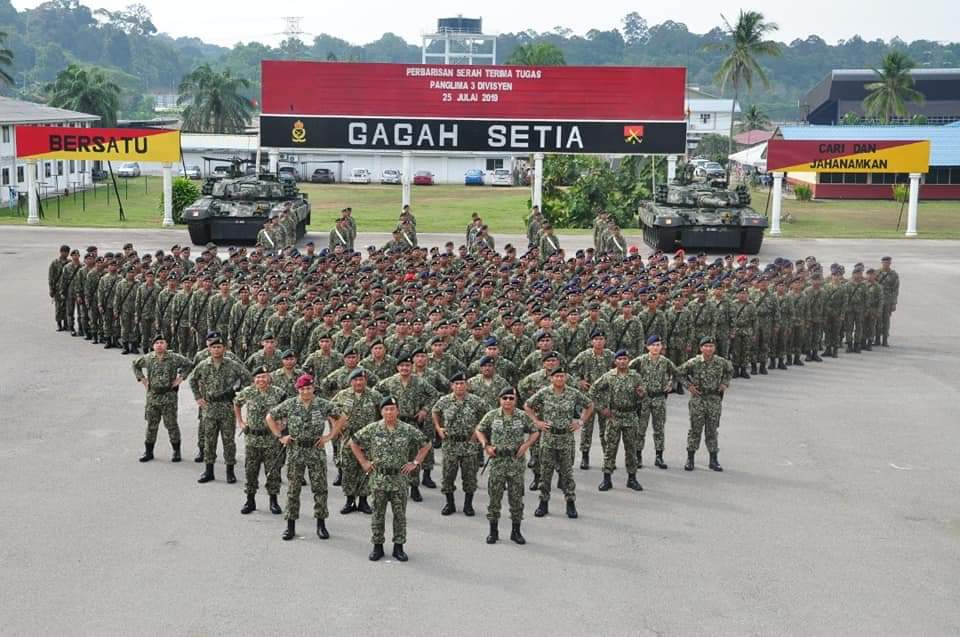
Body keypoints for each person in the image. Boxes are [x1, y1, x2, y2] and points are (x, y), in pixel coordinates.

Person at [350, 396, 433, 562]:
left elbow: (426, 443)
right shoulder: (373, 428)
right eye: (386, 409)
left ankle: (399, 547)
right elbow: (353, 442)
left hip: (399, 479)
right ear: (381, 412)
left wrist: (415, 462)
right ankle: (377, 546)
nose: (389, 412)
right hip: (379, 479)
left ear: (398, 411)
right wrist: (364, 462)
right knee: (378, 515)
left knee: (399, 515)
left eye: (392, 409)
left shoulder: (407, 429)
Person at [267, 373, 345, 541]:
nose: (306, 392)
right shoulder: (290, 404)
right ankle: (290, 526)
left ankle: (321, 524)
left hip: (316, 451)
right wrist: (280, 436)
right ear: (298, 390)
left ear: (313, 388)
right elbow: (270, 417)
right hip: (296, 450)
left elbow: (342, 417)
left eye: (309, 388)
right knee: (293, 490)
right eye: (302, 389)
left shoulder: (323, 404)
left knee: (320, 489)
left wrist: (329, 436)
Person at [524, 368, 593, 519]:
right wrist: (537, 421)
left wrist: (580, 422)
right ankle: (543, 503)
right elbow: (527, 405)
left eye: (562, 376)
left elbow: (589, 405)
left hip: (566, 439)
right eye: (557, 376)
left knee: (567, 474)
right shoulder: (544, 393)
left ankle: (570, 503)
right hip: (548, 438)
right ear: (551, 378)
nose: (560, 379)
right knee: (545, 474)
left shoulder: (573, 393)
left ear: (566, 378)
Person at [475, 388, 540, 545]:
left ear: (515, 400)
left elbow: (535, 431)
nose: (508, 401)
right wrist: (486, 446)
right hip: (498, 462)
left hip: (515, 463)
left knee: (516, 499)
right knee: (494, 499)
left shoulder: (521, 416)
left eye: (511, 398)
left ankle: (516, 531)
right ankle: (493, 531)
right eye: (505, 398)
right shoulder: (492, 415)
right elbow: (479, 430)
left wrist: (526, 445)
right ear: (500, 399)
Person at [375, 355, 440, 501]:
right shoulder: (390, 381)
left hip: (412, 422)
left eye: (408, 365)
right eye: (402, 365)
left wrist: (425, 409)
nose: (405, 368)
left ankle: (415, 486)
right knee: (393, 453)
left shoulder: (419, 381)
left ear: (412, 367)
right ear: (397, 367)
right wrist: (384, 408)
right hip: (394, 422)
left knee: (413, 455)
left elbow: (434, 394)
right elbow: (375, 391)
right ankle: (394, 486)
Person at [189, 337, 253, 484]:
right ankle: (208, 471)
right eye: (214, 347)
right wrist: (198, 397)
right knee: (209, 440)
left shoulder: (232, 365)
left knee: (228, 441)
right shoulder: (204, 365)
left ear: (224, 349)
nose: (216, 350)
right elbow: (192, 379)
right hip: (210, 408)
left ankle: (230, 471)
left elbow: (248, 379)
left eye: (219, 347)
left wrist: (238, 396)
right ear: (209, 349)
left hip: (227, 408)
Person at [432, 371, 488, 516]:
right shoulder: (444, 401)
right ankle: (449, 504)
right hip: (450, 444)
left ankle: (468, 505)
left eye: (462, 383)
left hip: (469, 444)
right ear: (452, 386)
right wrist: (438, 428)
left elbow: (487, 416)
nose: (459, 386)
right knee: (448, 476)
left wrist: (478, 431)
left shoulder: (476, 401)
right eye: (456, 384)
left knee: (469, 477)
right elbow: (435, 411)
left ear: (467, 385)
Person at [234, 366, 288, 515]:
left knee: (273, 472)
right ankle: (250, 500)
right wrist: (240, 422)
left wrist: (283, 424)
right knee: (251, 471)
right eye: (258, 377)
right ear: (254, 379)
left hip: (271, 439)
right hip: (252, 439)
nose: (261, 380)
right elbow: (236, 403)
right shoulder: (248, 392)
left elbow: (287, 408)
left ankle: (273, 501)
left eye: (264, 377)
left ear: (269, 378)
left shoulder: (278, 393)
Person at [131, 336, 193, 462]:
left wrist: (180, 379)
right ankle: (148, 451)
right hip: (153, 396)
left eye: (162, 342)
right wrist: (142, 379)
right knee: (151, 425)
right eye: (157, 343)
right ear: (153, 346)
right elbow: (135, 364)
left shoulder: (174, 358)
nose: (159, 345)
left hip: (168, 396)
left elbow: (189, 364)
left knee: (171, 425)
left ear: (166, 344)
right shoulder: (149, 358)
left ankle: (176, 451)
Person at [590, 349, 645, 490]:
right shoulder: (609, 376)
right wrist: (602, 408)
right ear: (615, 361)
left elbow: (642, 394)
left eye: (625, 359)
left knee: (631, 448)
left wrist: (641, 394)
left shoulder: (635, 376)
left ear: (628, 360)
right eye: (619, 359)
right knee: (610, 448)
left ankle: (632, 478)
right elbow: (593, 390)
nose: (622, 361)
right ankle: (607, 478)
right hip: (614, 416)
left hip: (631, 416)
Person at [331, 368, 383, 515]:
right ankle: (349, 501)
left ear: (365, 381)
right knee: (348, 469)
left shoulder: (375, 395)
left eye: (361, 380)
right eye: (355, 380)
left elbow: (384, 413)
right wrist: (337, 426)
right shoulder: (342, 395)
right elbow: (331, 410)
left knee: (366, 469)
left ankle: (364, 501)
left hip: (368, 439)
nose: (359, 382)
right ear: (351, 381)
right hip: (348, 438)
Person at [677, 336, 734, 472]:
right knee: (695, 429)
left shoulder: (721, 362)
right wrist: (688, 385)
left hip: (714, 398)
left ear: (714, 348)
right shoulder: (694, 362)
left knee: (712, 430)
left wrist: (725, 383)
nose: (708, 349)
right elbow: (679, 372)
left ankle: (713, 459)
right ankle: (690, 458)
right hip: (698, 399)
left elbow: (730, 370)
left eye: (711, 346)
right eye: (706, 346)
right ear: (701, 348)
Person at [630, 335, 680, 470]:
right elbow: (626, 370)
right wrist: (635, 386)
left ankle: (659, 456)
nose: (656, 347)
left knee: (659, 429)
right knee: (641, 428)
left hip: (659, 398)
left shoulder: (665, 361)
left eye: (658, 345)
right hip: (644, 399)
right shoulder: (640, 360)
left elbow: (677, 373)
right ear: (648, 347)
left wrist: (671, 384)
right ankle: (638, 455)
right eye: (653, 345)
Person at [877, 256, 899, 346]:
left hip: (888, 301)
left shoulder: (894, 274)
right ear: (882, 263)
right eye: (884, 262)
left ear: (890, 263)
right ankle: (877, 339)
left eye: (888, 262)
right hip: (877, 301)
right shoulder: (876, 273)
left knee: (886, 320)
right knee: (877, 320)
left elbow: (895, 289)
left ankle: (885, 340)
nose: (886, 264)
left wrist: (894, 303)